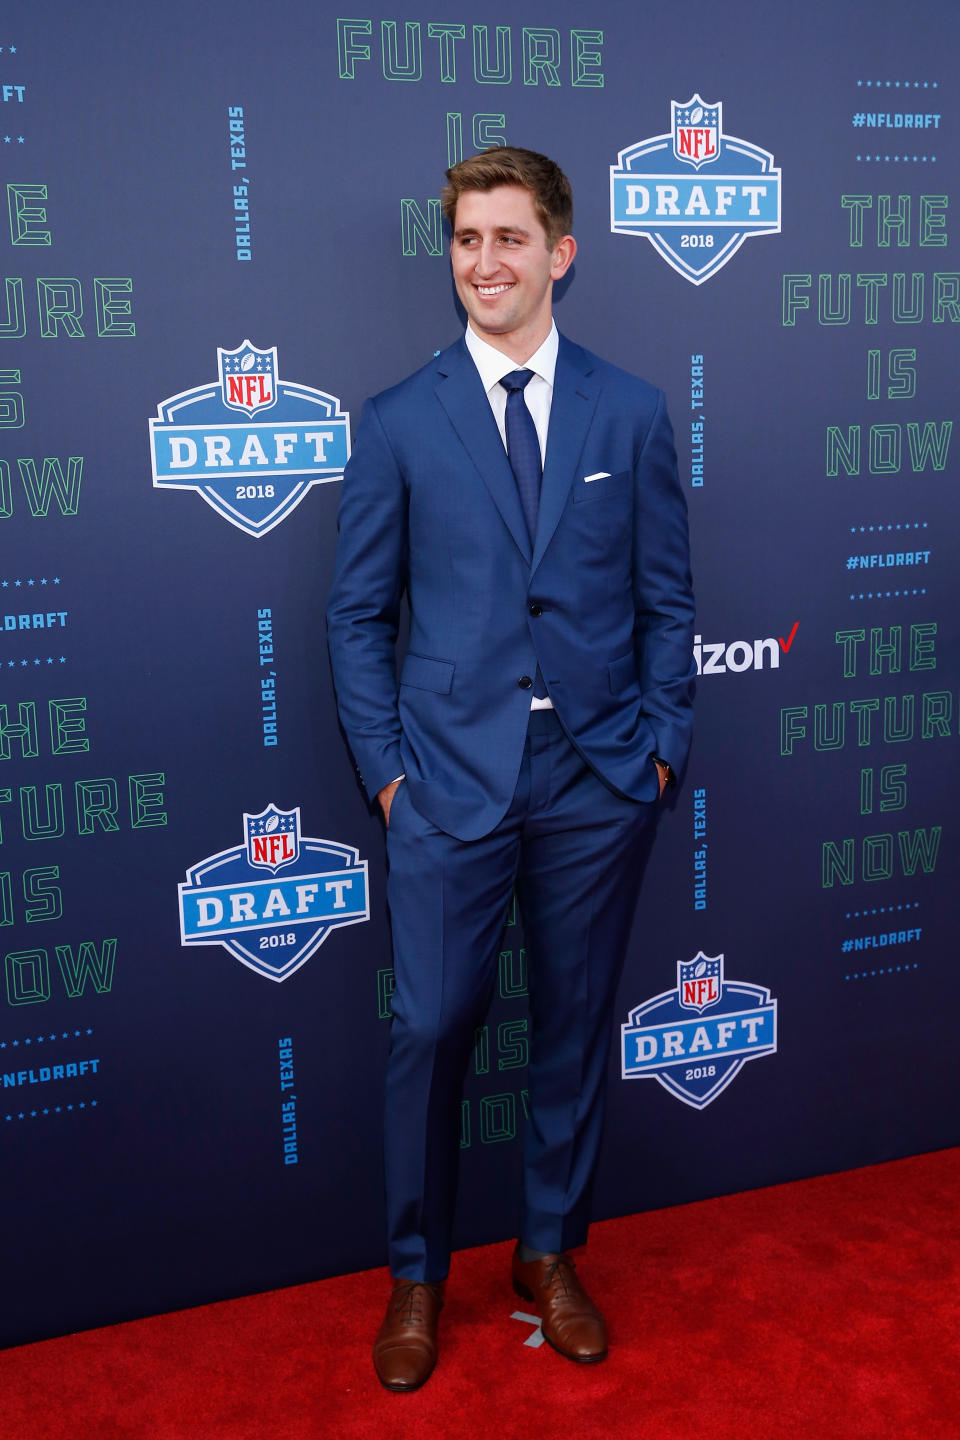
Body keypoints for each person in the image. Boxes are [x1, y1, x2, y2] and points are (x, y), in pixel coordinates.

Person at [326, 146, 695, 1391]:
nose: (487, 262)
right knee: (429, 1030)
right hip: (447, 782)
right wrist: (388, 778)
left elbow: (665, 602)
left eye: (510, 238)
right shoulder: (397, 419)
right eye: (468, 240)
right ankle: (418, 1276)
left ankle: (549, 1252)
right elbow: (355, 616)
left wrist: (657, 749)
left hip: (597, 779)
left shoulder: (631, 410)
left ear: (561, 251)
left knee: (576, 1025)